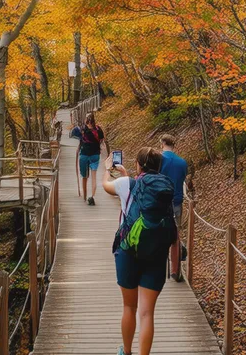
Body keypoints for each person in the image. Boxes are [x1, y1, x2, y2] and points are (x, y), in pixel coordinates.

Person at [102, 148, 176, 355]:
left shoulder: (127, 184)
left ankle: (126, 351)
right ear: (159, 166)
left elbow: (107, 186)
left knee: (129, 307)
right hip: (157, 253)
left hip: (128, 252)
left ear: (139, 164)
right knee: (147, 313)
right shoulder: (163, 189)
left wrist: (107, 169)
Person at [159, 134, 188, 282]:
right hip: (176, 201)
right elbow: (183, 178)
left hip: (160, 201)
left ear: (162, 143)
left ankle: (158, 266)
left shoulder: (158, 160)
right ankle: (175, 270)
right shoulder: (182, 162)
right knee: (175, 235)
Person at [71, 112, 106, 205]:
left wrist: (80, 145)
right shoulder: (98, 129)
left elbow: (75, 137)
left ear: (86, 119)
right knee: (94, 177)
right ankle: (92, 196)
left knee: (84, 176)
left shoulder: (82, 129)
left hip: (84, 155)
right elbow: (102, 141)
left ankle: (85, 196)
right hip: (95, 155)